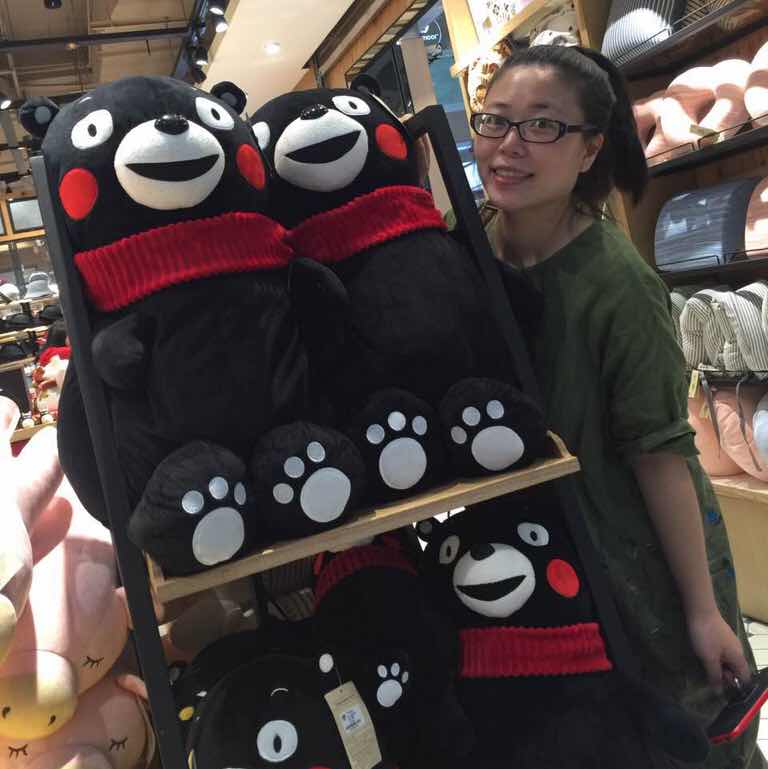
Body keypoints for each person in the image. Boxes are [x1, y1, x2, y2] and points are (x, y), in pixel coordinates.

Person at [459, 43, 765, 768]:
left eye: (542, 125)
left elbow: (660, 455)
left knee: (685, 731)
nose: (508, 145)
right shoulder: (470, 247)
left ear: (591, 148)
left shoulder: (618, 284)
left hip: (636, 549)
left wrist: (702, 611)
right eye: (495, 120)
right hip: (536, 547)